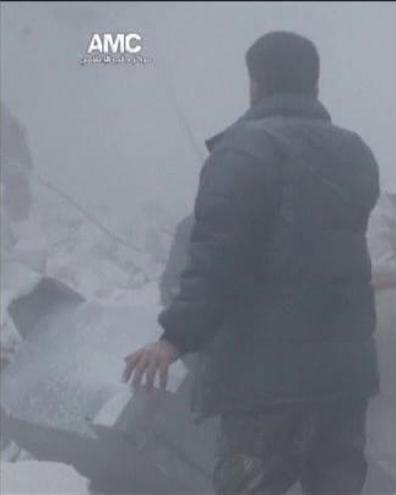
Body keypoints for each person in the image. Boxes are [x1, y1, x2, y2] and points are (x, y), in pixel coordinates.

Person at [122, 31, 380, 495]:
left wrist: (175, 337)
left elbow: (220, 254)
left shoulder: (244, 148)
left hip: (267, 377)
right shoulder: (354, 151)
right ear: (314, 84)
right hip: (344, 370)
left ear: (255, 82)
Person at [364, 191, 396, 488]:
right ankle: (388, 467)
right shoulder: (378, 198)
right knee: (391, 386)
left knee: (346, 391)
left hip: (331, 301)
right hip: (385, 295)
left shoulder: (300, 192)